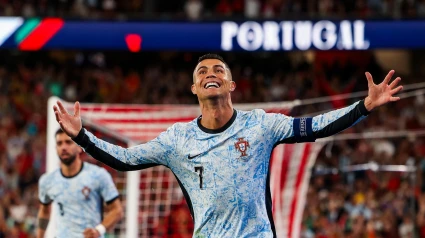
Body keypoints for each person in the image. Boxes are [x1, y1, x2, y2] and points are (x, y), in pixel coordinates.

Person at [53, 54, 403, 238]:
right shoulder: (177, 139)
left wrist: (364, 107)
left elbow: (313, 126)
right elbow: (126, 160)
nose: (210, 73)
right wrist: (83, 137)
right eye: (202, 70)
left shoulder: (261, 124)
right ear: (194, 88)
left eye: (218, 69)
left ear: (231, 83)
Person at [37, 129, 124, 238]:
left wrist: (98, 230)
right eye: (59, 143)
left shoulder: (98, 175)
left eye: (68, 142)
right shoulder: (47, 181)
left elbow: (117, 210)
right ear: (55, 148)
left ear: (79, 147)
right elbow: (44, 211)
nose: (63, 147)